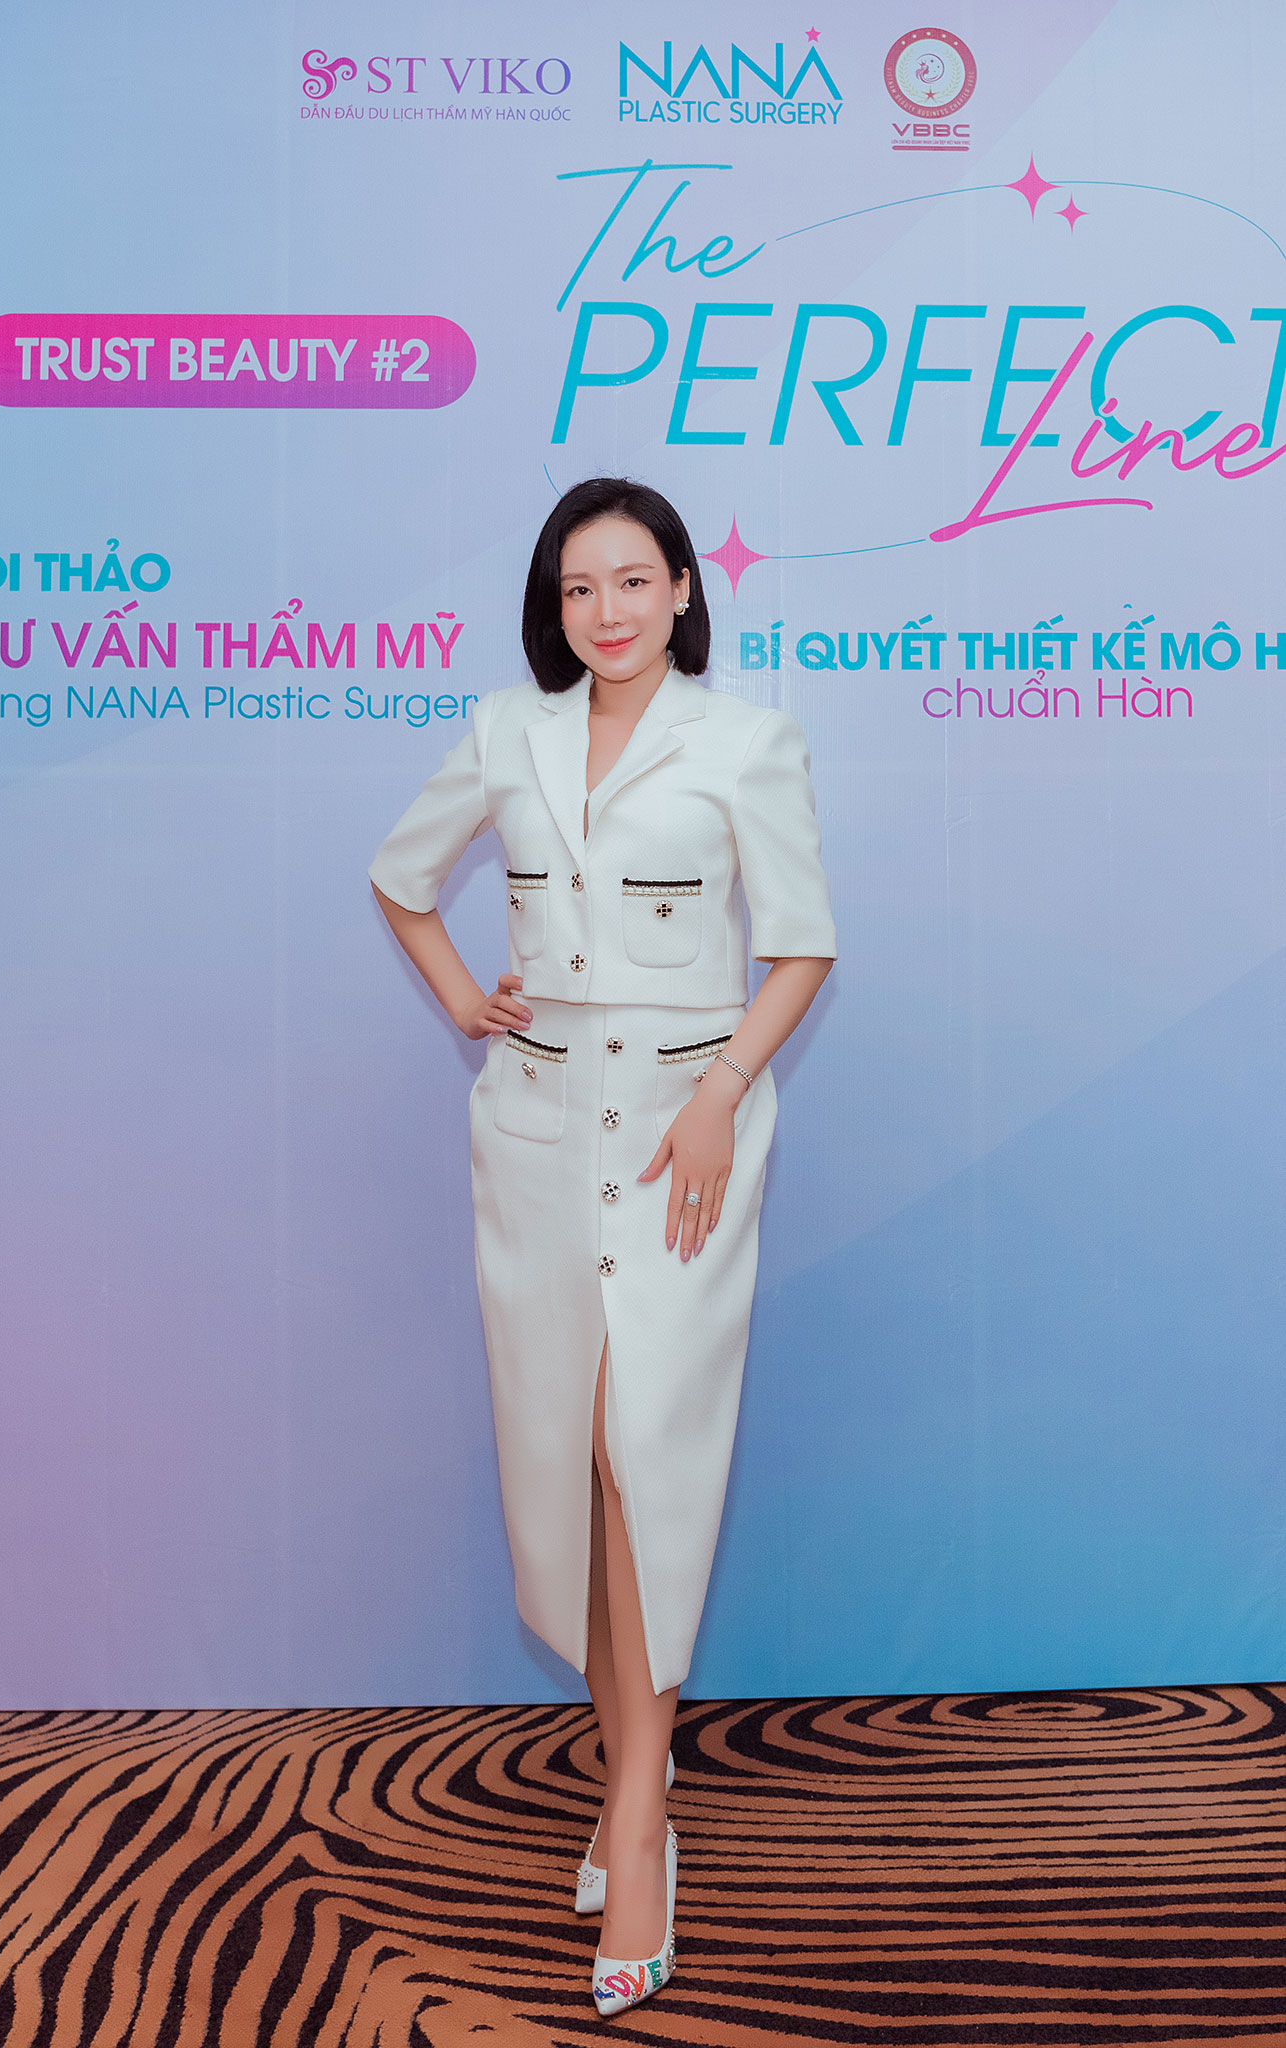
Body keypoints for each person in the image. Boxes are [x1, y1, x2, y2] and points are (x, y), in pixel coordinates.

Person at [369, 476, 836, 2015]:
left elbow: (800, 945)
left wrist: (719, 1095)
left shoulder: (746, 740)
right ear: (553, 607)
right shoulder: (506, 730)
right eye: (579, 588)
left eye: (633, 580)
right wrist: (464, 997)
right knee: (566, 1464)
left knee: (646, 1458)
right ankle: (635, 1770)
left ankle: (635, 1819)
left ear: (683, 589)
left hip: (681, 1137)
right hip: (535, 1124)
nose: (607, 611)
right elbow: (400, 876)